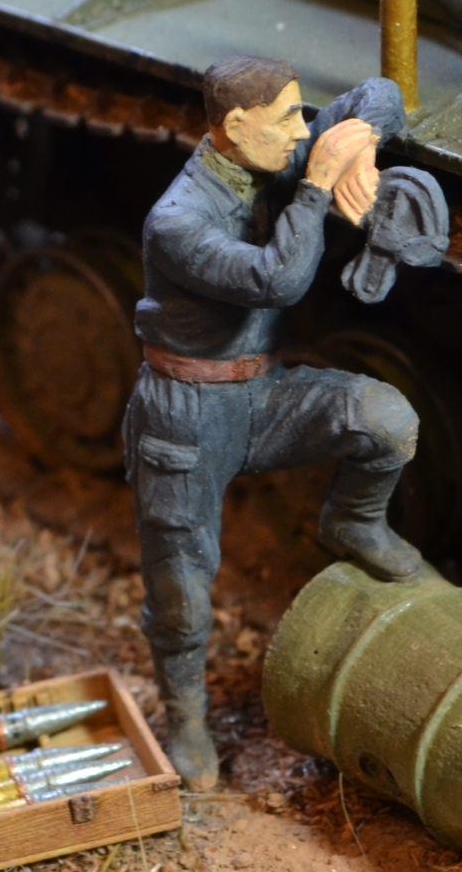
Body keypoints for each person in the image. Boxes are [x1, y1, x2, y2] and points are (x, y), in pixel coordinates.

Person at [126, 56, 422, 788]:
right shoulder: (177, 220)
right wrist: (318, 183)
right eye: (287, 116)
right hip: (186, 412)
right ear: (235, 126)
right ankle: (185, 719)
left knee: (387, 419)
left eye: (300, 114)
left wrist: (357, 148)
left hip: (261, 394)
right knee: (181, 593)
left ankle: (353, 521)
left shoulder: (273, 151)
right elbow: (277, 280)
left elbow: (381, 93)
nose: (300, 128)